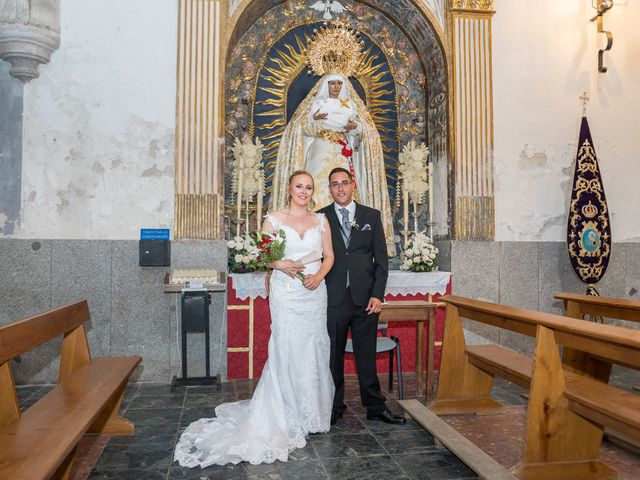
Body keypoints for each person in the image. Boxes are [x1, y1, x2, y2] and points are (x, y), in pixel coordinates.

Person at [174, 170, 335, 467]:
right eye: (299, 186)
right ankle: (284, 411)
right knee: (286, 345)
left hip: (314, 292)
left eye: (309, 188)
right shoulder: (273, 219)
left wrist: (318, 277)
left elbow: (329, 257)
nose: (303, 191)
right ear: (289, 189)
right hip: (286, 291)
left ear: (314, 192)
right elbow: (264, 256)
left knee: (313, 346)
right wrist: (281, 264)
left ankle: (311, 412)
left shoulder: (321, 221)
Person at [270, 72, 395, 256]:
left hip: (341, 152)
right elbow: (300, 128)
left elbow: (361, 136)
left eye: (338, 83)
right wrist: (317, 123)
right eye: (332, 84)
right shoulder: (316, 104)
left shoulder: (350, 105)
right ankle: (309, 237)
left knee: (343, 188)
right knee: (316, 189)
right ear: (325, 86)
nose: (335, 87)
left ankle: (345, 240)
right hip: (319, 150)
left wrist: (355, 130)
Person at [319, 167, 405, 425]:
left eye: (344, 183)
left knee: (366, 354)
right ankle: (334, 407)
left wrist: (378, 295)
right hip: (333, 298)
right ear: (330, 188)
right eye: (334, 184)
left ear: (352, 184)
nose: (340, 188)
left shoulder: (371, 216)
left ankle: (376, 407)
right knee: (332, 356)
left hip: (365, 298)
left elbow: (381, 260)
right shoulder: (320, 217)